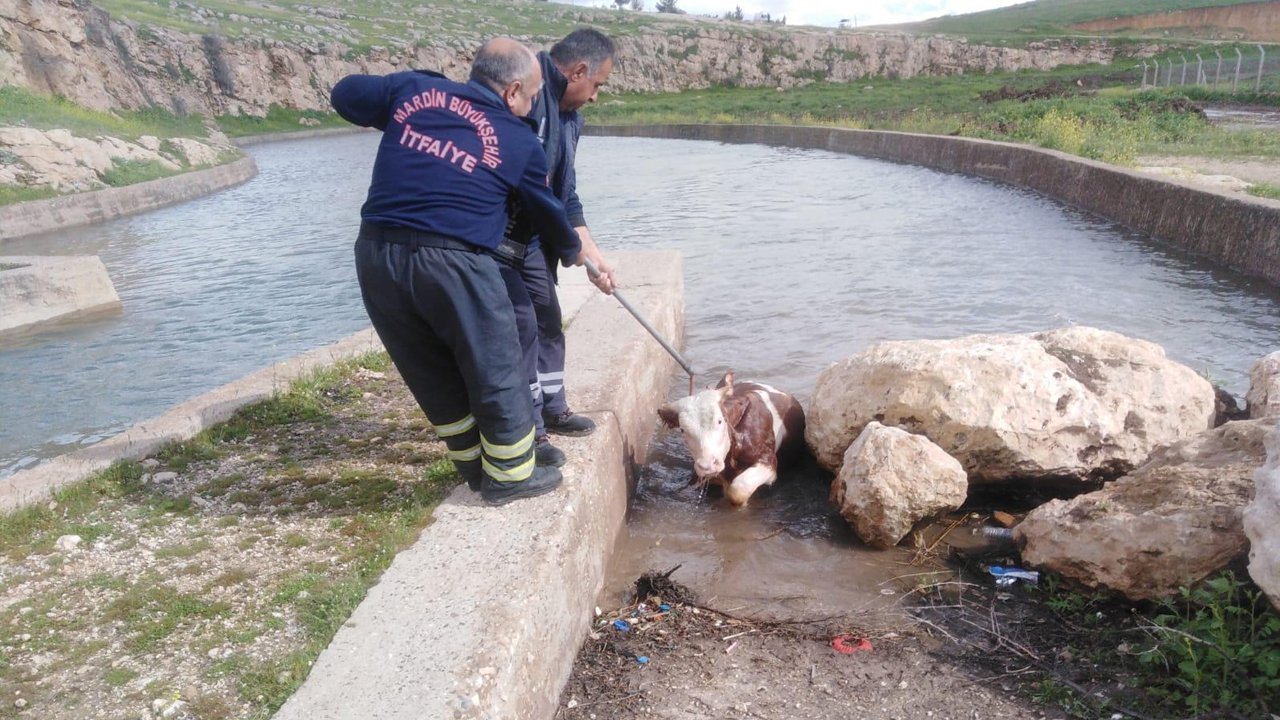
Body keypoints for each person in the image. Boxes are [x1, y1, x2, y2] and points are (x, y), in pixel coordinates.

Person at [330, 38, 587, 506]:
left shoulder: (415, 93)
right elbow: (546, 212)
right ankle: (510, 476)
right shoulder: (518, 139)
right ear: (512, 92)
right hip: (454, 259)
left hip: (375, 255)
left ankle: (475, 467)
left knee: (430, 367)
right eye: (530, 98)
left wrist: (414, 91)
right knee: (497, 359)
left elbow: (345, 93)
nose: (532, 108)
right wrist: (573, 250)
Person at [504, 28, 618, 468]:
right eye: (598, 85)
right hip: (501, 239)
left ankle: (554, 407)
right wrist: (573, 248)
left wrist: (594, 256)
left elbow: (566, 195)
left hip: (534, 240)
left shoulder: (571, 118)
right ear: (579, 71)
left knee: (549, 321)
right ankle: (530, 428)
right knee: (522, 329)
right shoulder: (530, 95)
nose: (595, 96)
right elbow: (524, 184)